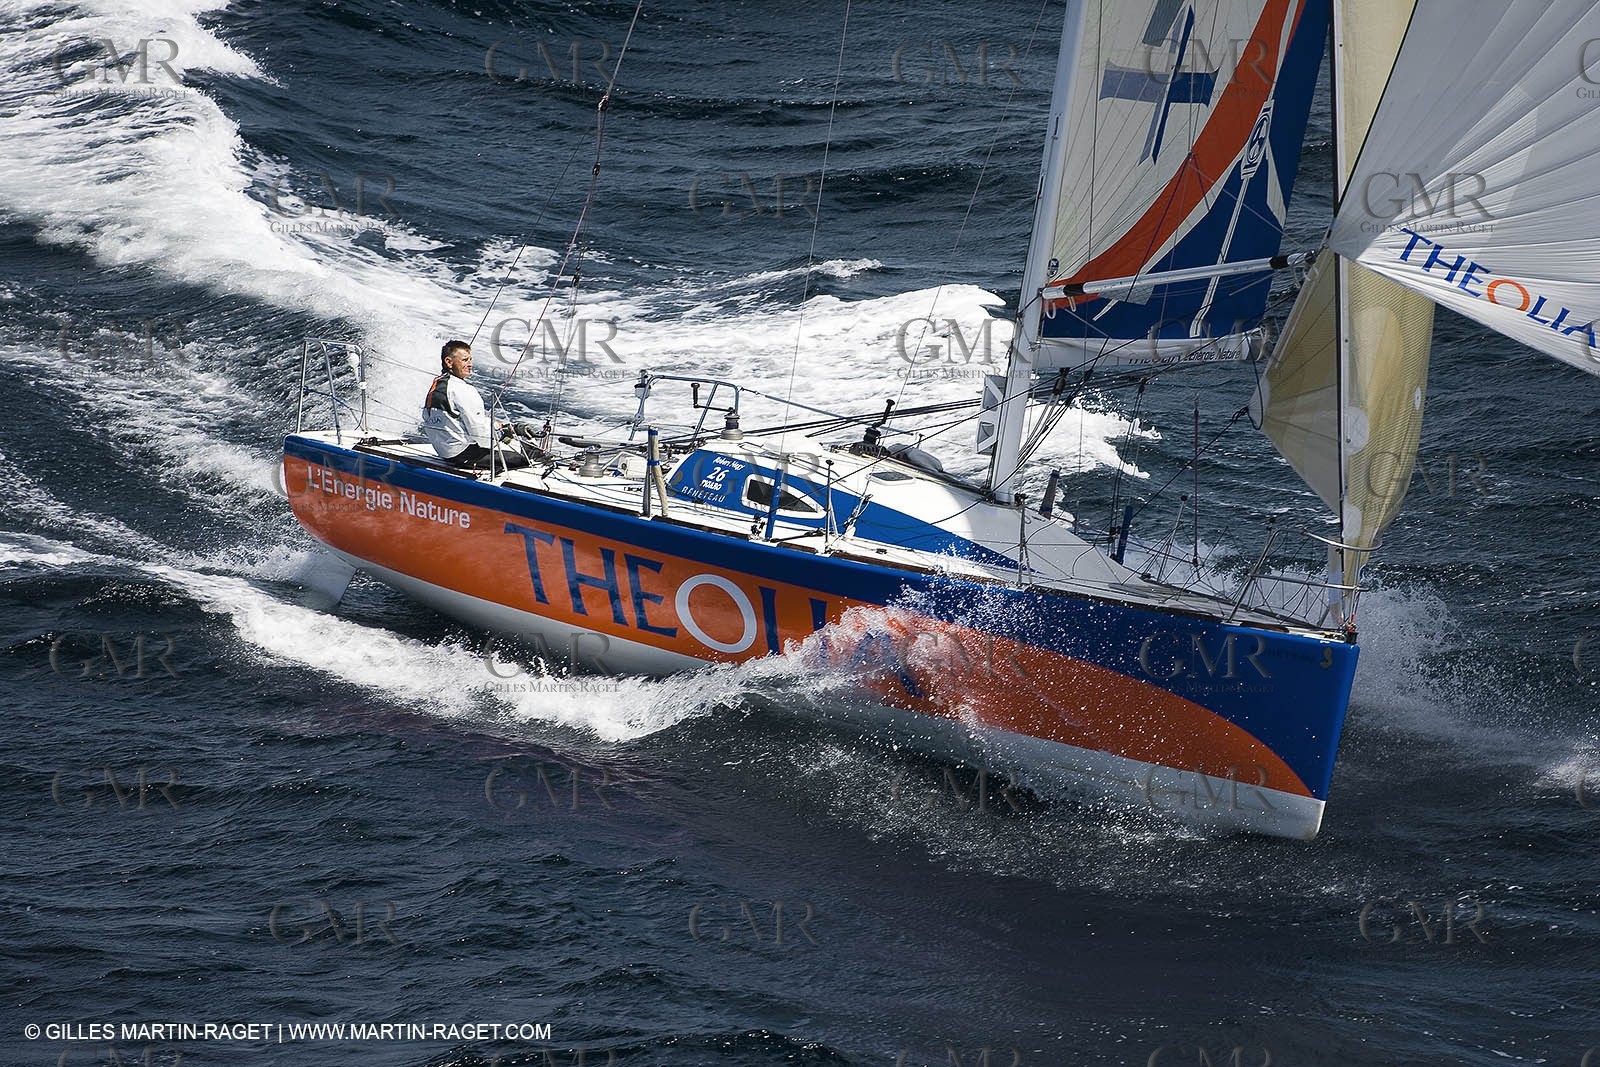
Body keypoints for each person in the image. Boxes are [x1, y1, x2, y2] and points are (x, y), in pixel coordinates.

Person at [421, 340, 531, 470]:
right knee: (526, 457)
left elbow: (457, 420)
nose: (470, 364)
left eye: (470, 359)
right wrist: (504, 435)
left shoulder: (438, 385)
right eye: (465, 360)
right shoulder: (463, 390)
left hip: (445, 451)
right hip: (465, 454)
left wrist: (501, 426)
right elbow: (480, 434)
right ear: (449, 362)